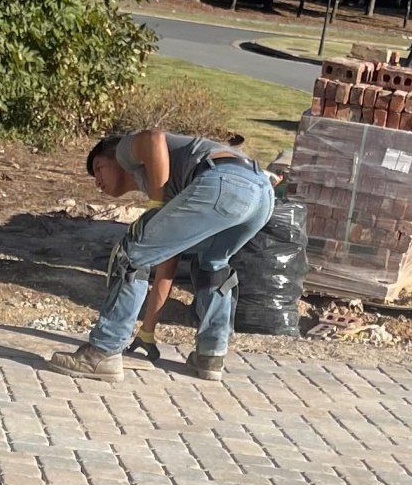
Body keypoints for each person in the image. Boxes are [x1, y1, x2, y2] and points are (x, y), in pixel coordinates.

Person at [51, 124, 275, 384]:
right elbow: (167, 259)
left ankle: (102, 352)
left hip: (225, 182)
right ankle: (210, 355)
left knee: (130, 254)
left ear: (113, 157)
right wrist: (148, 329)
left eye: (98, 168)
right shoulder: (172, 179)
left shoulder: (125, 149)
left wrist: (156, 206)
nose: (97, 181)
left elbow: (154, 136)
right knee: (213, 264)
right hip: (261, 193)